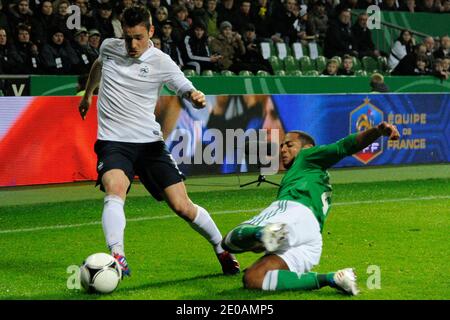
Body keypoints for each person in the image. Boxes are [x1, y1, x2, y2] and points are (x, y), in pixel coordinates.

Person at [78, 6, 240, 277]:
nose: (132, 44)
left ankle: (221, 247)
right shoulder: (109, 47)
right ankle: (117, 254)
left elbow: (183, 85)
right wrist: (88, 95)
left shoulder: (161, 61)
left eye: (138, 37)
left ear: (151, 31)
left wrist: (194, 95)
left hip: (150, 144)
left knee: (182, 206)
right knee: (115, 188)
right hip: (113, 141)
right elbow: (98, 65)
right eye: (128, 37)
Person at [221, 121, 400, 294]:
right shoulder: (316, 174)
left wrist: (377, 131)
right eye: (282, 146)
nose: (282, 149)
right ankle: (333, 278)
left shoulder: (307, 156)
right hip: (311, 238)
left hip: (294, 212)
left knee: (227, 242)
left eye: (289, 145)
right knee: (254, 278)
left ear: (307, 148)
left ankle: (263, 234)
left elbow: (343, 146)